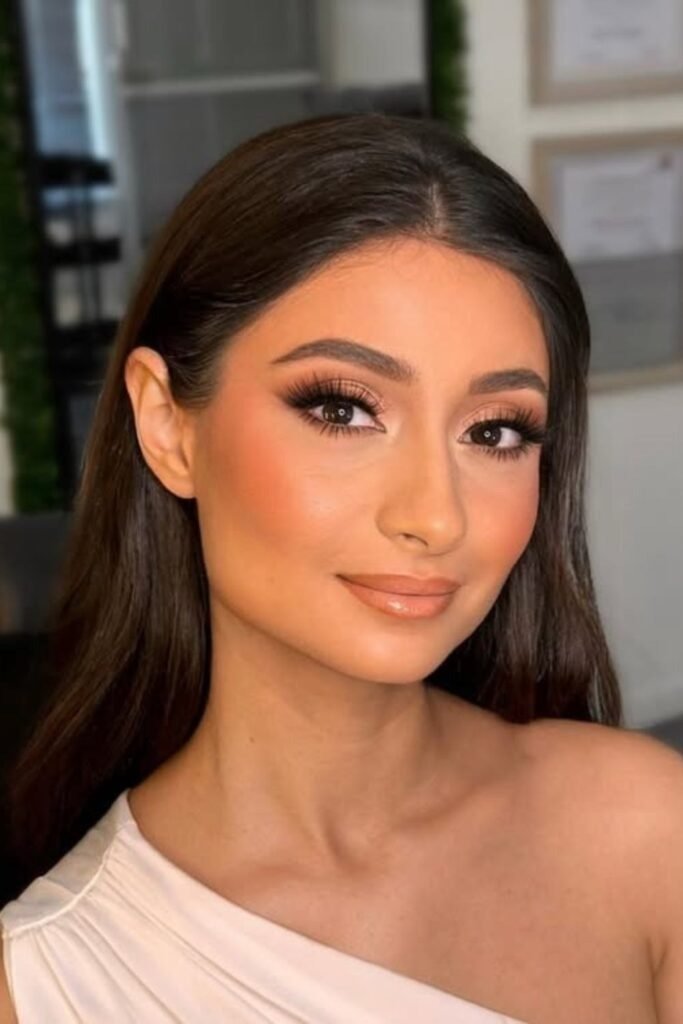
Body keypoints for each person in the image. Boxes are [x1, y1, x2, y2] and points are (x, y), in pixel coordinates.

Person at [1, 113, 681, 1023]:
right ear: (167, 425)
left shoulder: (646, 829)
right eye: (342, 410)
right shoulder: (50, 984)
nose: (435, 516)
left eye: (494, 431)